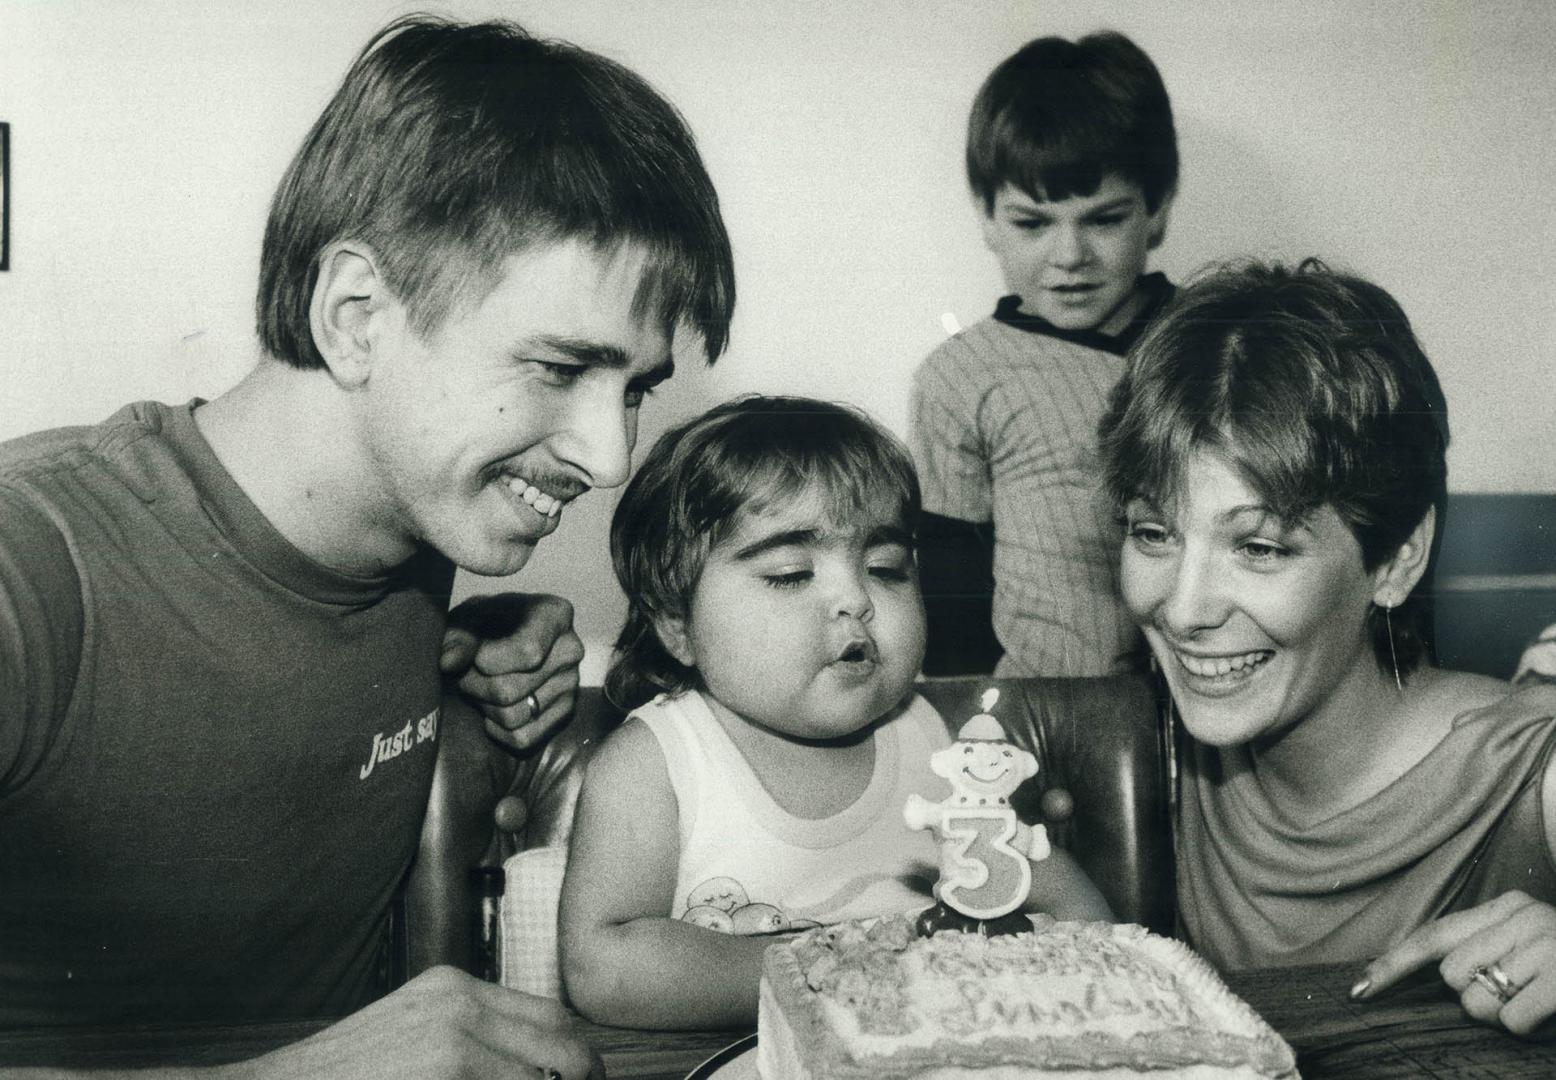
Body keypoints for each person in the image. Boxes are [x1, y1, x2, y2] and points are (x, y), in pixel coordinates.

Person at [0, 13, 734, 1078]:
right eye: (559, 368)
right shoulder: (30, 564)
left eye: (635, 391)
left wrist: (461, 646)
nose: (609, 456)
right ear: (354, 316)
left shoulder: (415, 532)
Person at [1096, 260, 1556, 1036]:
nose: (1183, 608)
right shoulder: (1162, 739)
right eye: (1153, 532)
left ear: (1397, 560)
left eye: (1261, 548)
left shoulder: (1530, 773)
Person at [558, 396, 1112, 1030]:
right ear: (677, 622)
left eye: (886, 568)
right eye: (793, 573)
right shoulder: (659, 762)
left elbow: (1056, 893)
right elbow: (604, 966)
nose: (855, 598)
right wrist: (831, 972)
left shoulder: (940, 742)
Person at [910, 31, 1179, 678]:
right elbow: (952, 609)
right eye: (1033, 223)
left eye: (1105, 219)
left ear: (1158, 209)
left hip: (1215, 719)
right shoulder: (960, 377)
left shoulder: (1219, 347)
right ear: (986, 218)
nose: (1070, 257)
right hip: (1043, 717)